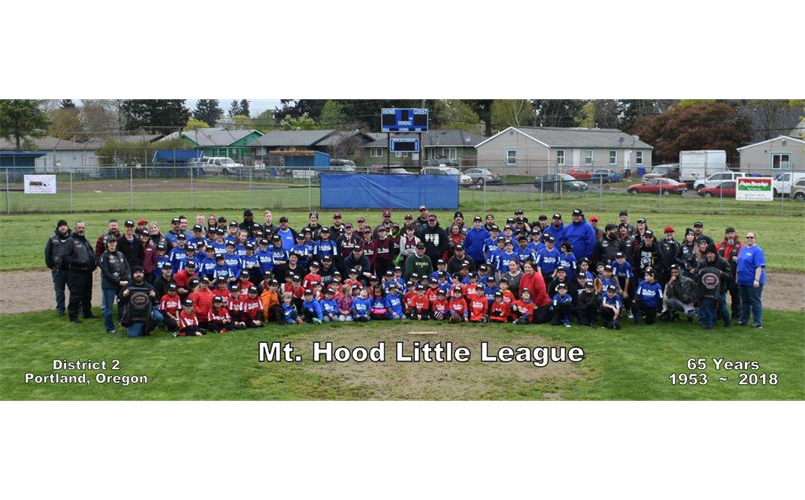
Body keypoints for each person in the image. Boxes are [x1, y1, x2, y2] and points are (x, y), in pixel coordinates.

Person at [61, 221, 97, 324]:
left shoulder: (86, 240)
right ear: (75, 228)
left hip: (87, 272)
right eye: (79, 227)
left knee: (87, 294)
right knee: (76, 295)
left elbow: (91, 254)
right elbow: (64, 257)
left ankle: (87, 313)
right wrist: (78, 263)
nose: (81, 229)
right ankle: (73, 316)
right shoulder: (71, 240)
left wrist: (93, 263)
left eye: (83, 228)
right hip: (76, 273)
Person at [99, 237, 131, 334]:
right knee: (109, 308)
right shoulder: (104, 256)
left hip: (121, 284)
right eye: (110, 242)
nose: (112, 244)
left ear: (116, 243)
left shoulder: (121, 254)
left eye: (114, 242)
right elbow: (105, 272)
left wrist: (128, 279)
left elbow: (127, 267)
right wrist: (118, 282)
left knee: (123, 303)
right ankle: (110, 328)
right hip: (109, 285)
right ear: (107, 244)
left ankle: (122, 322)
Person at [120, 267, 164, 338]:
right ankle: (140, 328)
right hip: (133, 314)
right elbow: (120, 302)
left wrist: (153, 296)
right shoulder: (127, 286)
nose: (138, 275)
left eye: (140, 273)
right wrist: (124, 295)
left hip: (146, 312)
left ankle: (147, 329)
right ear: (133, 275)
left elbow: (156, 302)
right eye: (136, 273)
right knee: (132, 335)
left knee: (159, 317)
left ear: (143, 275)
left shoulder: (149, 286)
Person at [697, 245, 732, 328]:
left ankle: (727, 320)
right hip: (707, 290)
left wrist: (722, 273)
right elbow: (696, 274)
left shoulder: (723, 262)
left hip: (720, 290)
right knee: (707, 307)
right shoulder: (702, 262)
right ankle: (710, 323)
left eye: (711, 253)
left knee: (722, 308)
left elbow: (729, 276)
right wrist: (699, 272)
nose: (709, 255)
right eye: (708, 253)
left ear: (715, 253)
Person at [737, 232, 766, 329]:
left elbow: (759, 266)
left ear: (755, 239)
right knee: (744, 301)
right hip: (742, 281)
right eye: (747, 237)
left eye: (751, 237)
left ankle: (758, 322)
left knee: (755, 301)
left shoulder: (757, 250)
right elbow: (742, 261)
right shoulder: (743, 248)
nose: (749, 238)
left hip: (753, 281)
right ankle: (743, 320)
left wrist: (756, 280)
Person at [717, 227, 744, 321]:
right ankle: (719, 314)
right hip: (722, 276)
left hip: (734, 276)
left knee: (736, 297)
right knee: (720, 296)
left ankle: (736, 315)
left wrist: (739, 259)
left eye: (732, 233)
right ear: (725, 235)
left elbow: (744, 258)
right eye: (728, 234)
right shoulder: (720, 245)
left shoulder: (741, 246)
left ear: (735, 234)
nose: (730, 235)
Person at [45, 220, 72, 316]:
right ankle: (60, 309)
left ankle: (74, 308)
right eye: (61, 226)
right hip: (58, 270)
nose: (63, 227)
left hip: (71, 269)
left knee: (73, 290)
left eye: (64, 225)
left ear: (67, 227)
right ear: (58, 228)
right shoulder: (52, 239)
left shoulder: (72, 238)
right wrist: (51, 266)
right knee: (59, 291)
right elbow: (48, 254)